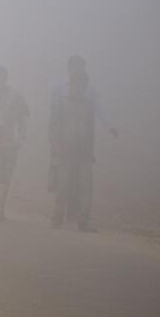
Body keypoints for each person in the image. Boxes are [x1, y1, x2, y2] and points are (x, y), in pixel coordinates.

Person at [49, 69, 103, 231]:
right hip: (65, 150)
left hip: (84, 152)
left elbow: (91, 130)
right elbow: (54, 126)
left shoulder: (89, 105)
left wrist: (91, 151)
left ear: (85, 86)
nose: (79, 88)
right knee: (63, 185)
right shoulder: (61, 103)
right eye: (76, 84)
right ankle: (57, 216)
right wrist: (55, 146)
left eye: (82, 85)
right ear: (71, 85)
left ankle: (84, 221)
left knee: (86, 187)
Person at [0, 65, 29, 221]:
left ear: (5, 77)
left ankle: (0, 208)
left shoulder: (15, 96)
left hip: (10, 142)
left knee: (6, 177)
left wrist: (21, 139)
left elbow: (22, 119)